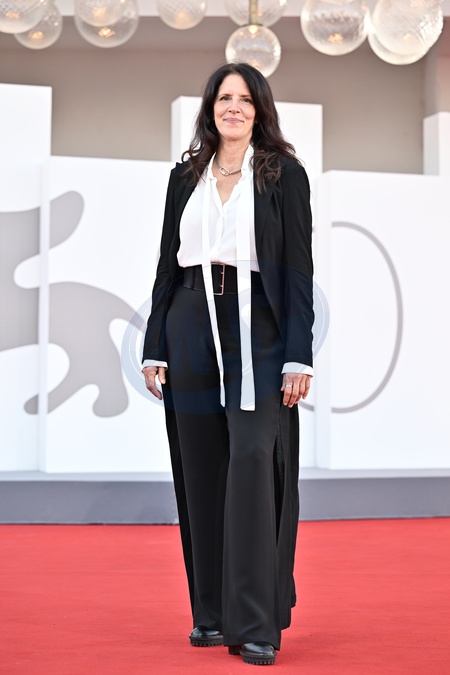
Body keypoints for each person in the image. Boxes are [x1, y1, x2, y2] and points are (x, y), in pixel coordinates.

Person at [142, 62, 314, 667]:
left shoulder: (284, 175)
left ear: (259, 109)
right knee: (201, 466)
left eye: (244, 98)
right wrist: (155, 343)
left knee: (253, 462)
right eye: (223, 98)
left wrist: (298, 355)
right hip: (189, 322)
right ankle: (211, 614)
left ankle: (257, 620)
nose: (233, 107)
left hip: (258, 326)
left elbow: (298, 270)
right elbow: (166, 264)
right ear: (210, 108)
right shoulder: (184, 176)